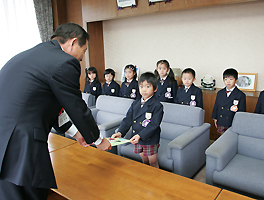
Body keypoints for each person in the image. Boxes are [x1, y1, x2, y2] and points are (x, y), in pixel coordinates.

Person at [0, 23, 111, 200]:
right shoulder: (65, 62)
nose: (81, 60)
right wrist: (97, 139)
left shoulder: (32, 55)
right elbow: (76, 106)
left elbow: (49, 105)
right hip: (20, 141)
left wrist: (76, 133)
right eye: (82, 54)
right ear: (73, 42)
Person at [112, 72, 163, 168]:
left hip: (149, 138)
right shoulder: (135, 103)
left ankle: (155, 180)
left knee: (153, 162)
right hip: (137, 138)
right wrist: (120, 132)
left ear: (155, 88)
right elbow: (127, 119)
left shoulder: (157, 105)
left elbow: (154, 125)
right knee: (144, 160)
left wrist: (140, 135)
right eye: (141, 86)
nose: (144, 90)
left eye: (148, 86)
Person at [212, 68, 246, 134]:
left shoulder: (241, 95)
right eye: (226, 79)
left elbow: (242, 111)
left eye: (231, 79)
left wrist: (239, 123)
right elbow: (216, 106)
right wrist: (215, 118)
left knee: (231, 138)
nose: (228, 81)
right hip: (221, 120)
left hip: (232, 121)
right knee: (222, 137)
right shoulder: (220, 93)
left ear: (236, 80)